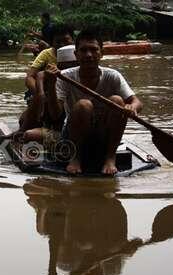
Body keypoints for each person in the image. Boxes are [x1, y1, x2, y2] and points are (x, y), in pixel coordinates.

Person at [50, 28, 143, 175]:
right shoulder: (64, 77)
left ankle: (110, 157)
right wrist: (49, 86)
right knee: (84, 105)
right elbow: (55, 114)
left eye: (93, 50)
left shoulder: (113, 76)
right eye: (84, 50)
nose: (89, 55)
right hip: (73, 134)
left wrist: (132, 108)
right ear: (76, 54)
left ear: (101, 53)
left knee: (117, 101)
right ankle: (75, 158)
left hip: (103, 134)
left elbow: (136, 101)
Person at [18, 24, 74, 135]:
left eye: (66, 41)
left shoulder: (80, 53)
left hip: (69, 93)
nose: (62, 45)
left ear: (73, 40)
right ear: (52, 42)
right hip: (48, 90)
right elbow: (30, 77)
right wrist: (40, 94)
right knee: (24, 121)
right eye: (58, 42)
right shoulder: (46, 54)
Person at [22, 45, 79, 149]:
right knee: (29, 134)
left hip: (85, 130)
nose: (70, 71)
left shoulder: (93, 76)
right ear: (59, 66)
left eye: (74, 66)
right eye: (66, 67)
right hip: (61, 130)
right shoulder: (51, 78)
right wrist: (42, 94)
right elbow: (55, 115)